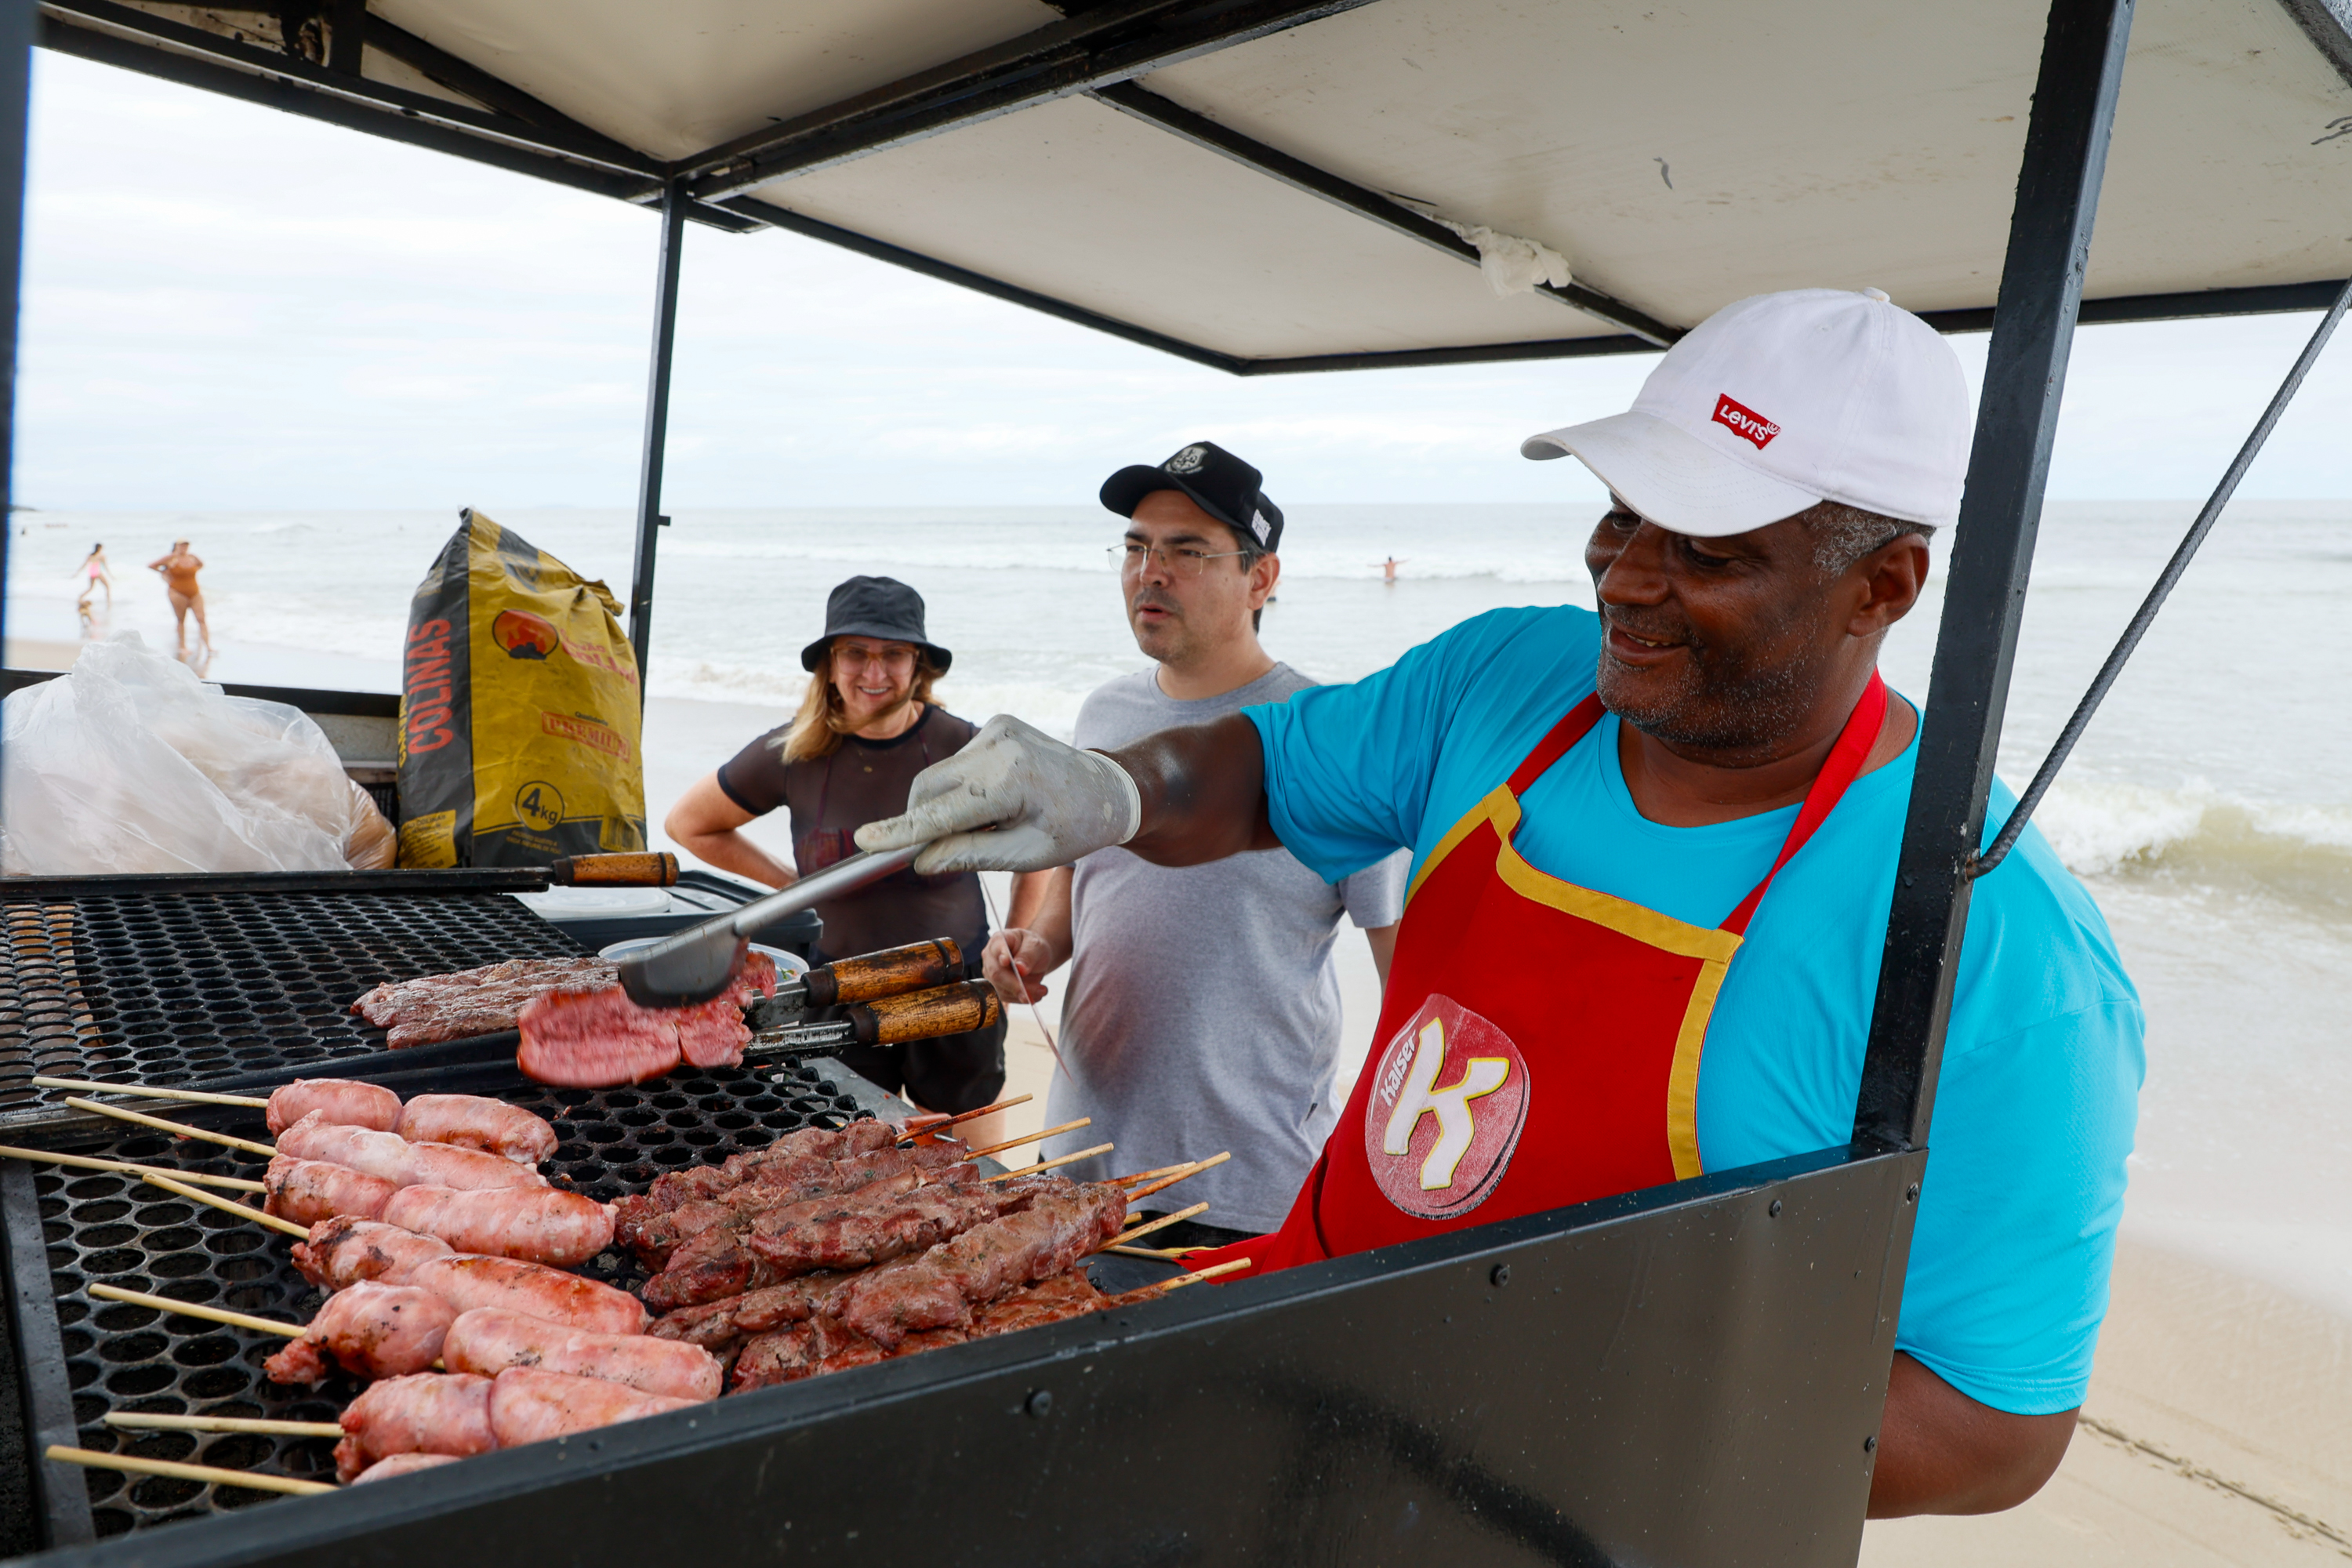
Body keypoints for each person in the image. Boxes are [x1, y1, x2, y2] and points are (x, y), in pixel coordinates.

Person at [855, 289, 2143, 1519]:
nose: (1628, 579)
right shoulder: (1508, 680)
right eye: (1619, 517)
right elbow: (1265, 769)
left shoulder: (2000, 950)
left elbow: (1988, 1430)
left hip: (1570, 1502)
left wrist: (1502, 1402)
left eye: (1705, 549)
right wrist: (1114, 790)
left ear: (1885, 586)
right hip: (1285, 1354)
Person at [983, 442, 1406, 1249]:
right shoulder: (1103, 715)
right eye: (1138, 546)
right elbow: (1086, 892)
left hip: (1244, 1178)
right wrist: (1033, 949)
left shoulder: (1332, 738)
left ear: (1262, 578)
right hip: (1078, 1156)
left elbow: (1405, 967)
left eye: (1187, 551)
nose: (1152, 571)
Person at [663, 576, 1009, 1140]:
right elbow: (690, 824)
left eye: (893, 654)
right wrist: (794, 886)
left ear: (919, 662)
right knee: (853, 1165)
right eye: (856, 653)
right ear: (829, 662)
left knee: (968, 1162)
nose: (875, 674)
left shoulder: (963, 747)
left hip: (956, 986)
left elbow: (1043, 844)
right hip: (838, 989)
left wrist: (1018, 932)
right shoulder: (794, 752)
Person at [146, 539, 209, 657]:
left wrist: (190, 572)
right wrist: (163, 572)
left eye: (186, 545)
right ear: (177, 546)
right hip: (177, 592)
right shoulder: (171, 558)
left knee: (201, 619)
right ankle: (182, 646)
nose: (184, 547)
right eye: (181, 545)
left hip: (194, 592)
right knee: (181, 620)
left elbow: (201, 564)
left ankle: (208, 646)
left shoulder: (192, 557)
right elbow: (151, 565)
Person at [73, 543, 112, 626]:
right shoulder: (101, 556)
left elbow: (84, 565)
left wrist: (77, 573)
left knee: (91, 588)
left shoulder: (90, 555)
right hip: (97, 573)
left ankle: (80, 597)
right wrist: (111, 575)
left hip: (92, 573)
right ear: (100, 548)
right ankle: (108, 602)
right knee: (107, 587)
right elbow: (105, 566)